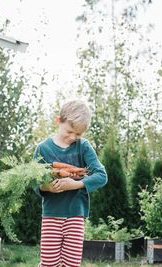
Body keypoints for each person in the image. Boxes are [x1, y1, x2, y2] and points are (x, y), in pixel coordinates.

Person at [34, 99, 108, 267]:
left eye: (78, 134)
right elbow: (34, 183)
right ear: (58, 121)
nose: (73, 137)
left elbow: (101, 175)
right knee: (49, 263)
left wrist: (75, 184)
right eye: (69, 131)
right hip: (51, 215)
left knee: (71, 264)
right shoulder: (43, 149)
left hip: (75, 216)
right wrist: (47, 187)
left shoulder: (83, 147)